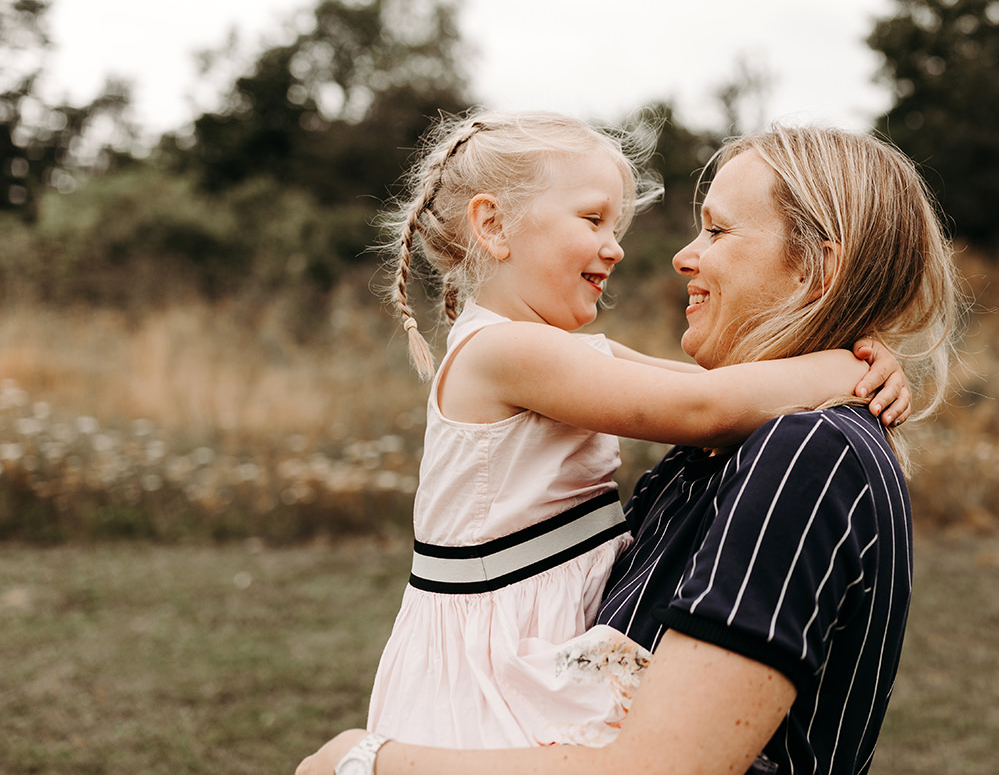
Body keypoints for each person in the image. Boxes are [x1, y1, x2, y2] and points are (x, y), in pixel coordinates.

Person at [298, 124, 960, 775]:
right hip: (484, 652)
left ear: (821, 268)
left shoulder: (809, 453)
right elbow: (704, 403)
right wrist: (845, 370)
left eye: (718, 230)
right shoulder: (508, 351)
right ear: (494, 228)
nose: (659, 253)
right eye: (592, 219)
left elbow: (704, 396)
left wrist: (363, 762)